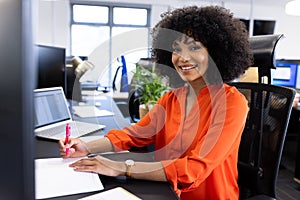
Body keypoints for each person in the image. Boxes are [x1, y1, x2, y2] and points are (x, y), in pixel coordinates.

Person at [59, 5, 253, 199]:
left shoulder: (231, 103)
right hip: (165, 191)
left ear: (215, 52)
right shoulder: (172, 98)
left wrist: (120, 167)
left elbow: (193, 169)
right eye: (176, 49)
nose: (183, 58)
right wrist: (87, 147)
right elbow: (133, 134)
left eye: (194, 47)